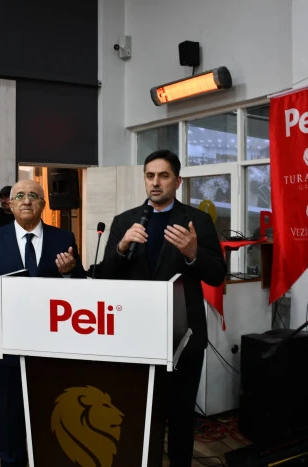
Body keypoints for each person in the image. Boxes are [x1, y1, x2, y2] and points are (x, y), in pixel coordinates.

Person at [98, 150, 226, 466]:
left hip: (185, 337)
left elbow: (216, 275)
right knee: (140, 415)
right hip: (136, 337)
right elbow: (104, 276)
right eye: (150, 176)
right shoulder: (125, 221)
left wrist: (193, 253)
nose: (155, 182)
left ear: (177, 181)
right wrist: (121, 246)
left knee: (181, 416)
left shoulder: (197, 221)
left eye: (163, 176)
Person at [0, 179, 86, 467]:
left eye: (33, 195)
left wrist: (69, 273)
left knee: (53, 407)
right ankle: (11, 460)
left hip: (54, 344)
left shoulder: (63, 238)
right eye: (19, 196)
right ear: (10, 204)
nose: (27, 200)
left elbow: (81, 285)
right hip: (9, 342)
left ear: (43, 203)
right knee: (10, 410)